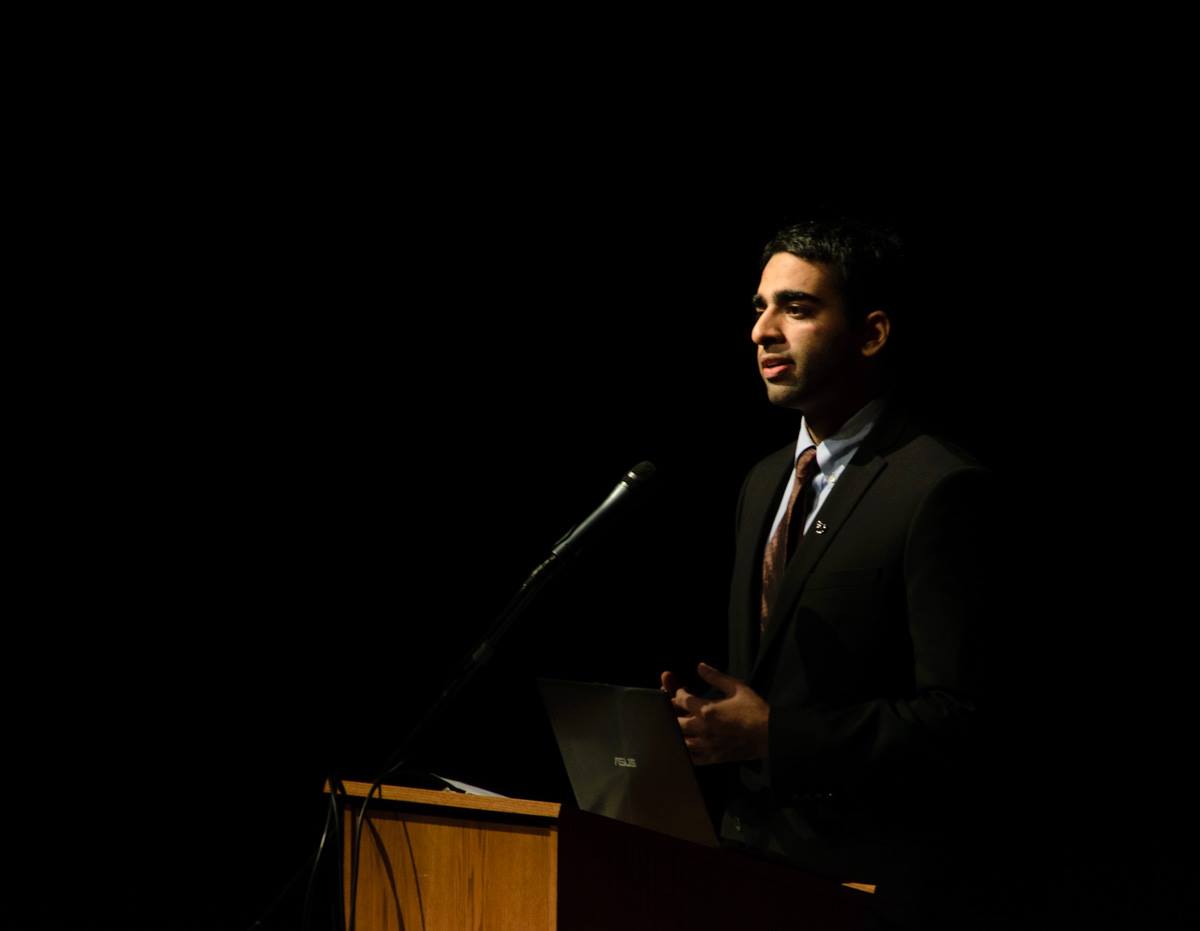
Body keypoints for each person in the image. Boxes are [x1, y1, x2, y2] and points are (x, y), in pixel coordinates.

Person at [660, 218, 1001, 927]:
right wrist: (707, 722)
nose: (762, 331)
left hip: (868, 881)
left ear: (871, 334)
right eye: (760, 307)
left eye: (797, 308)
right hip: (748, 864)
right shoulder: (763, 481)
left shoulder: (937, 487)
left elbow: (963, 719)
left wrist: (776, 736)